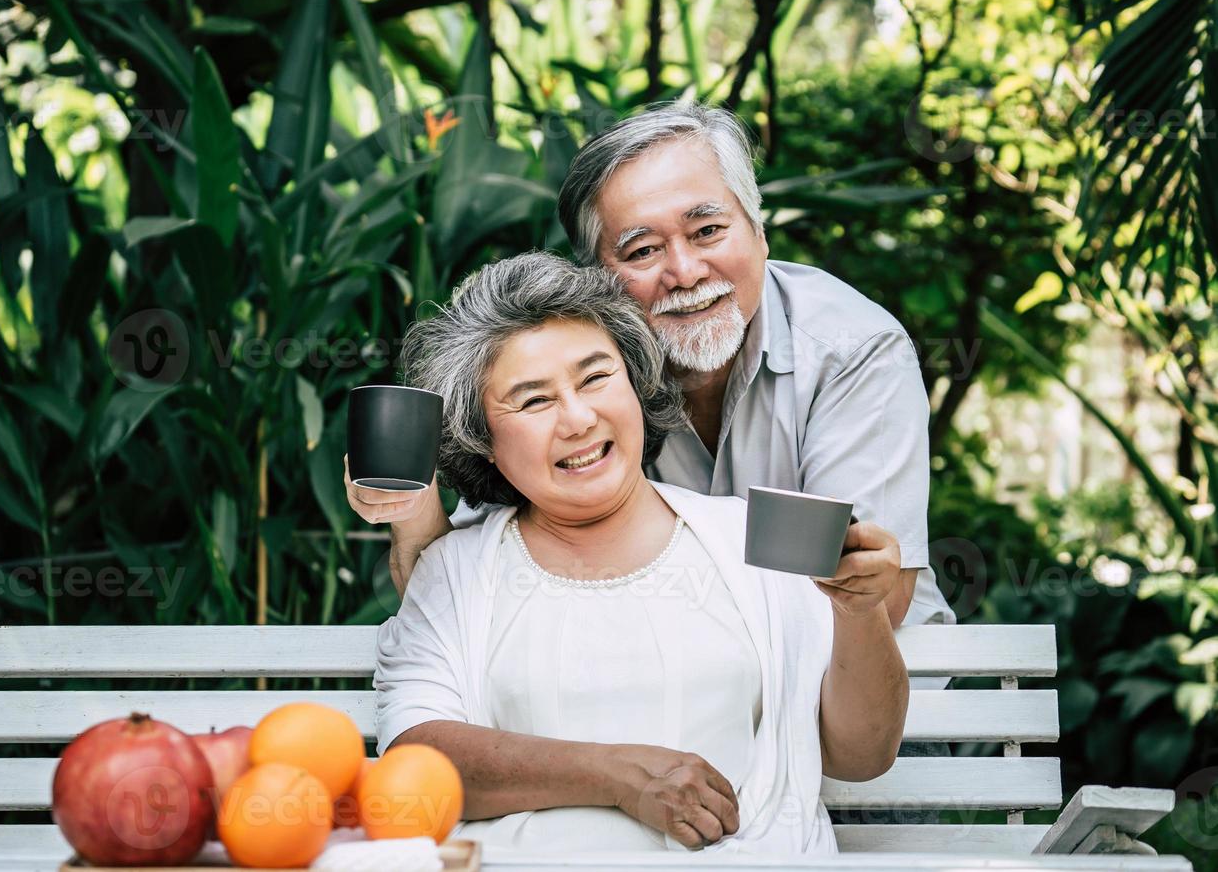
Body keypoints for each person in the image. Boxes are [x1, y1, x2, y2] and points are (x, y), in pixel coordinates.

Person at [370, 252, 909, 854]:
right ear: (484, 441)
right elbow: (417, 761)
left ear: (635, 383)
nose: (578, 418)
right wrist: (619, 777)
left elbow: (861, 757)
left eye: (596, 377)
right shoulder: (455, 571)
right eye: (533, 401)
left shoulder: (753, 540)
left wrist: (860, 613)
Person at [351, 102, 954, 638]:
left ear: (760, 232)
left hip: (872, 707)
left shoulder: (853, 348)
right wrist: (411, 508)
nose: (686, 271)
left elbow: (874, 594)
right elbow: (454, 600)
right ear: (599, 280)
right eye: (642, 250)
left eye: (709, 230)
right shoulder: (582, 379)